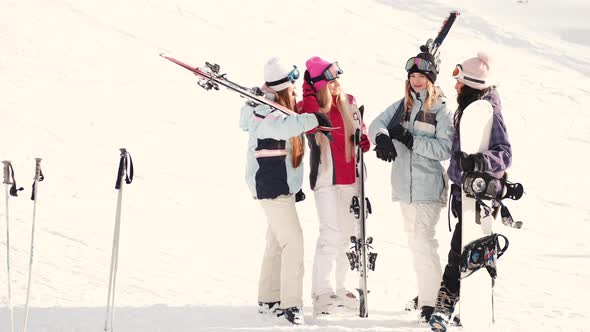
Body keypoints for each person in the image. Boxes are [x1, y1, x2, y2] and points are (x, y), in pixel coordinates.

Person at [239, 57, 332, 325]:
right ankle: (292, 304)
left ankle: (269, 297)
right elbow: (281, 126)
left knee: (276, 242)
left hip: (279, 186)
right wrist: (313, 118)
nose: (294, 92)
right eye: (291, 87)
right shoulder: (264, 113)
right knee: (294, 243)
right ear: (283, 87)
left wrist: (295, 188)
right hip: (270, 186)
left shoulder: (273, 108)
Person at [428, 52, 512, 331]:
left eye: (459, 83)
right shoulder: (469, 109)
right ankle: (464, 302)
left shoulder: (489, 113)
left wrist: (479, 161)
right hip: (463, 193)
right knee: (467, 248)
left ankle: (445, 304)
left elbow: (505, 154)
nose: (455, 87)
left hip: (481, 195)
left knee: (460, 251)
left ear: (472, 85)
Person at [368, 51, 454, 322]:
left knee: (423, 243)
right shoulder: (402, 106)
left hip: (428, 187)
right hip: (404, 188)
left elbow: (445, 149)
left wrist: (410, 139)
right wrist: (381, 138)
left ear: (431, 79)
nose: (416, 81)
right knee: (416, 245)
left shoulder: (440, 109)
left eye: (421, 76)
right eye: (412, 76)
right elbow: (375, 124)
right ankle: (429, 294)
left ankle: (432, 303)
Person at [299, 56, 370, 316]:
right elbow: (306, 116)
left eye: (337, 79)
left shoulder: (349, 102)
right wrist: (310, 89)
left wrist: (364, 140)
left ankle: (343, 287)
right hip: (326, 179)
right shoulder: (310, 108)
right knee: (329, 235)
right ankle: (322, 292)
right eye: (330, 81)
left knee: (348, 235)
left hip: (350, 179)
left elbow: (361, 132)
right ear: (318, 86)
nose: (336, 85)